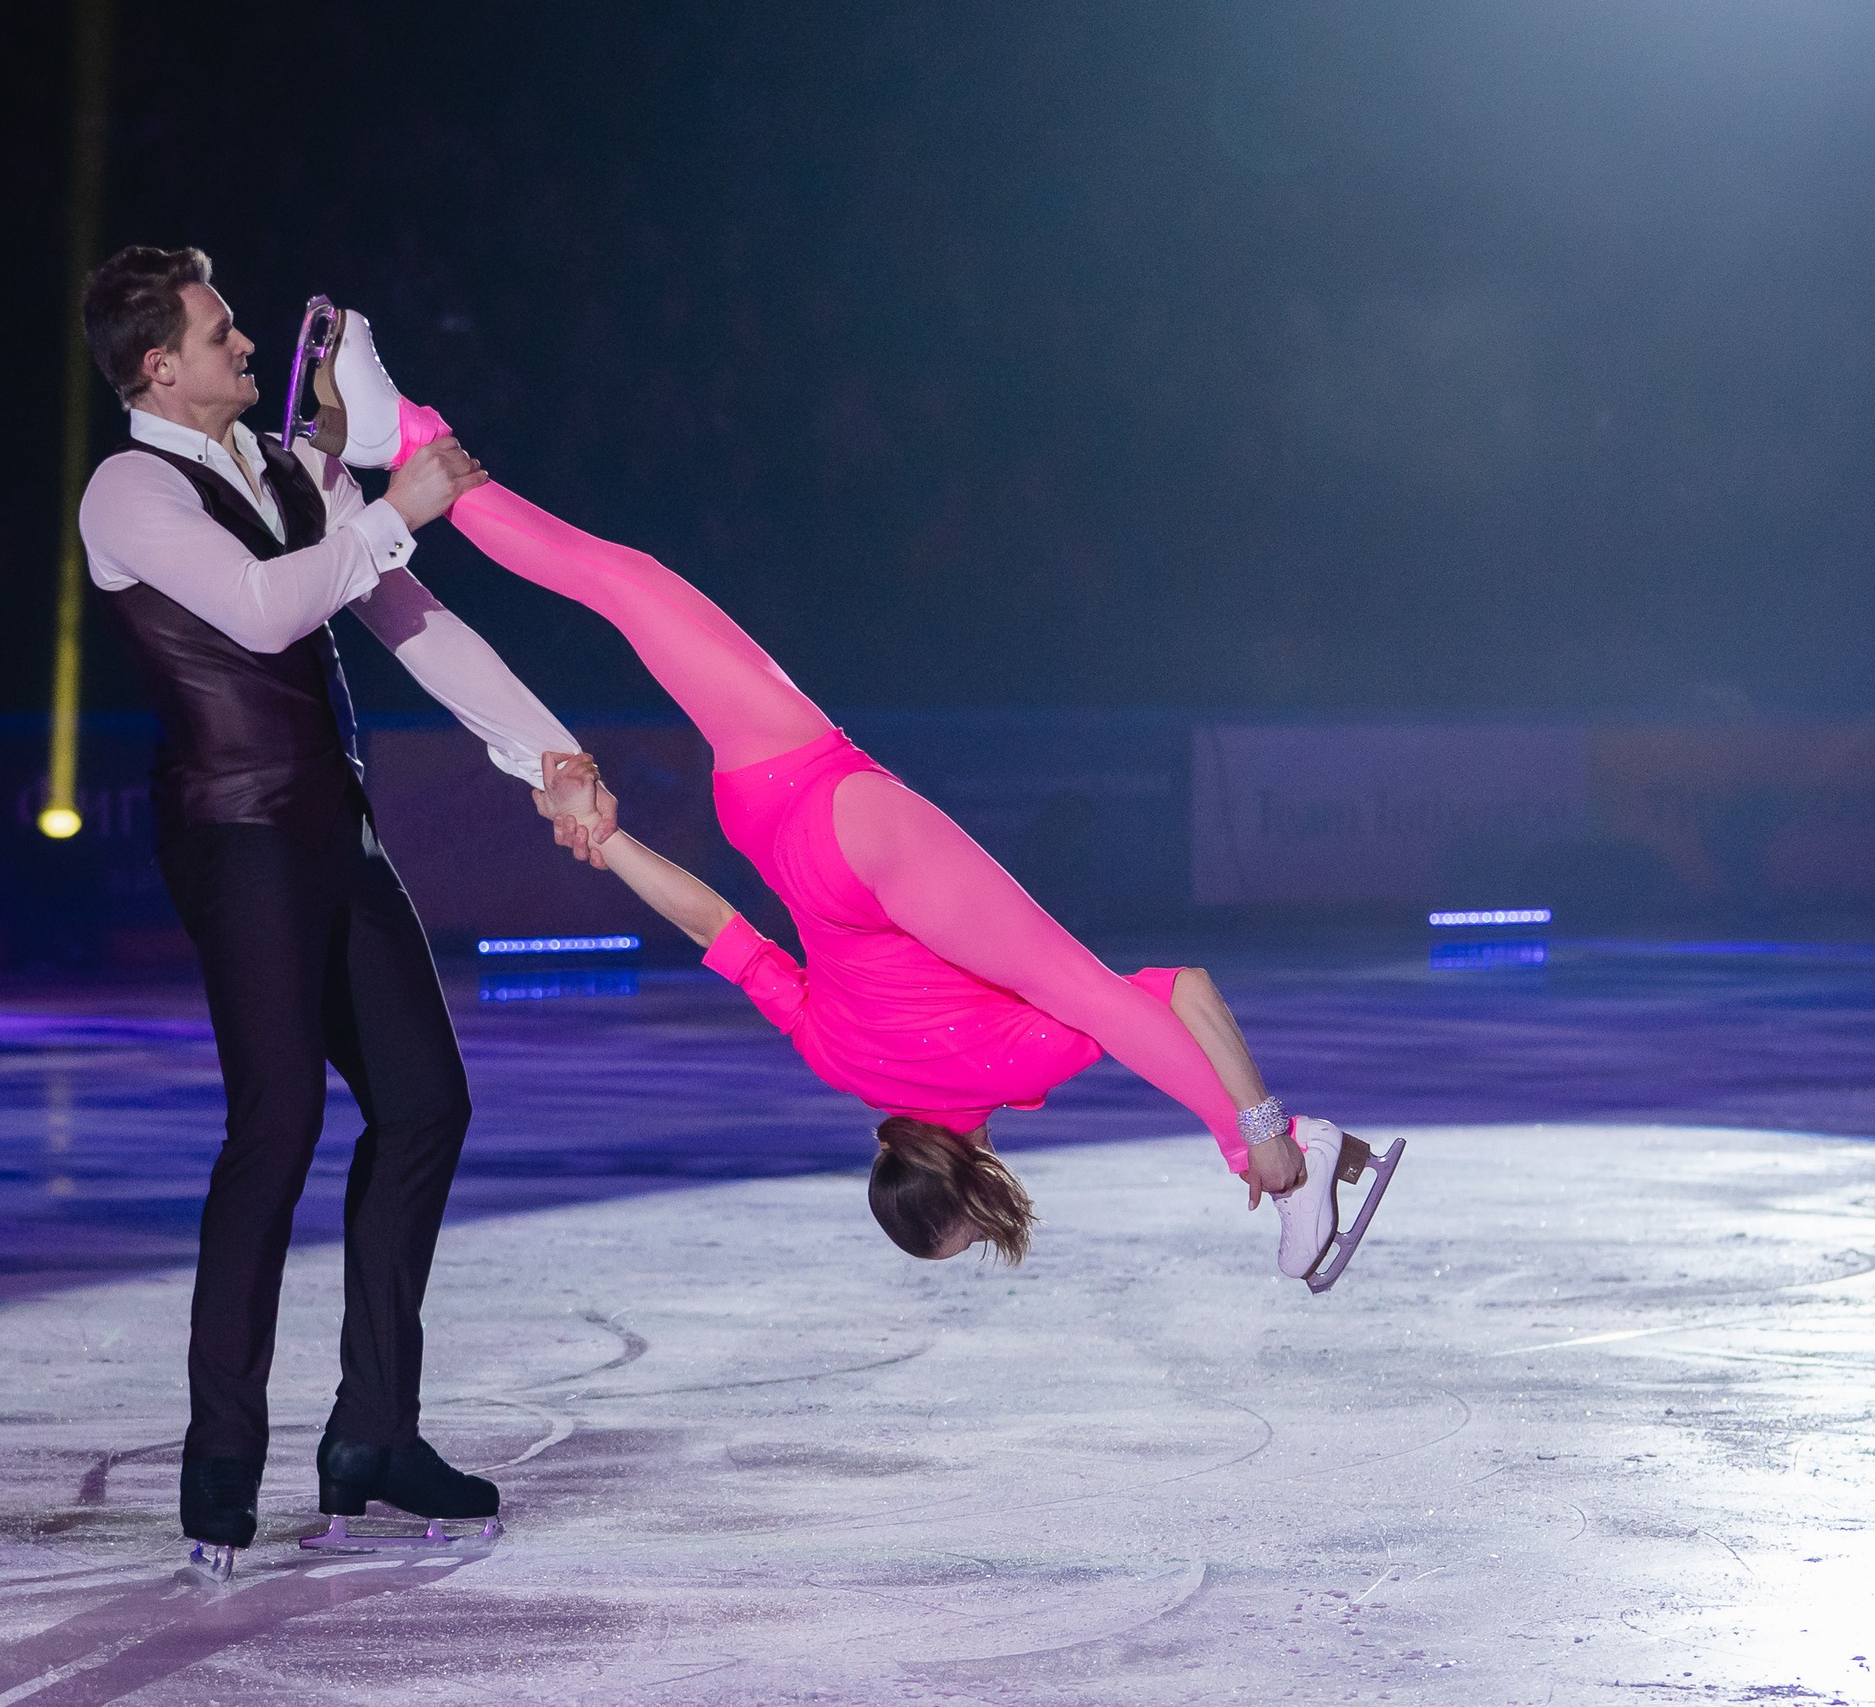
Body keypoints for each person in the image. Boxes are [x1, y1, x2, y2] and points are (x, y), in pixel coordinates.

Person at [308, 310, 1401, 1288]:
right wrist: (610, 841)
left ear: (972, 1179)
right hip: (769, 813)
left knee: (1084, 984)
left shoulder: (1007, 1078)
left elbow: (1170, 994)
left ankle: (1276, 1163)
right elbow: (717, 928)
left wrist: (1251, 1127)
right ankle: (396, 429)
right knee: (623, 588)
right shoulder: (838, 1066)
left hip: (858, 838)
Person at [74, 248, 613, 1568]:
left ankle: (369, 1435)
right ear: (160, 366)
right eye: (219, 329)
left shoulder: (293, 467)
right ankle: (220, 1464)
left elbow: (418, 626)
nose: (246, 343)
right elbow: (263, 612)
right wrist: (396, 505)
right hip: (238, 833)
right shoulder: (127, 490)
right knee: (282, 1118)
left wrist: (553, 754)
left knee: (426, 1100)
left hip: (337, 822)